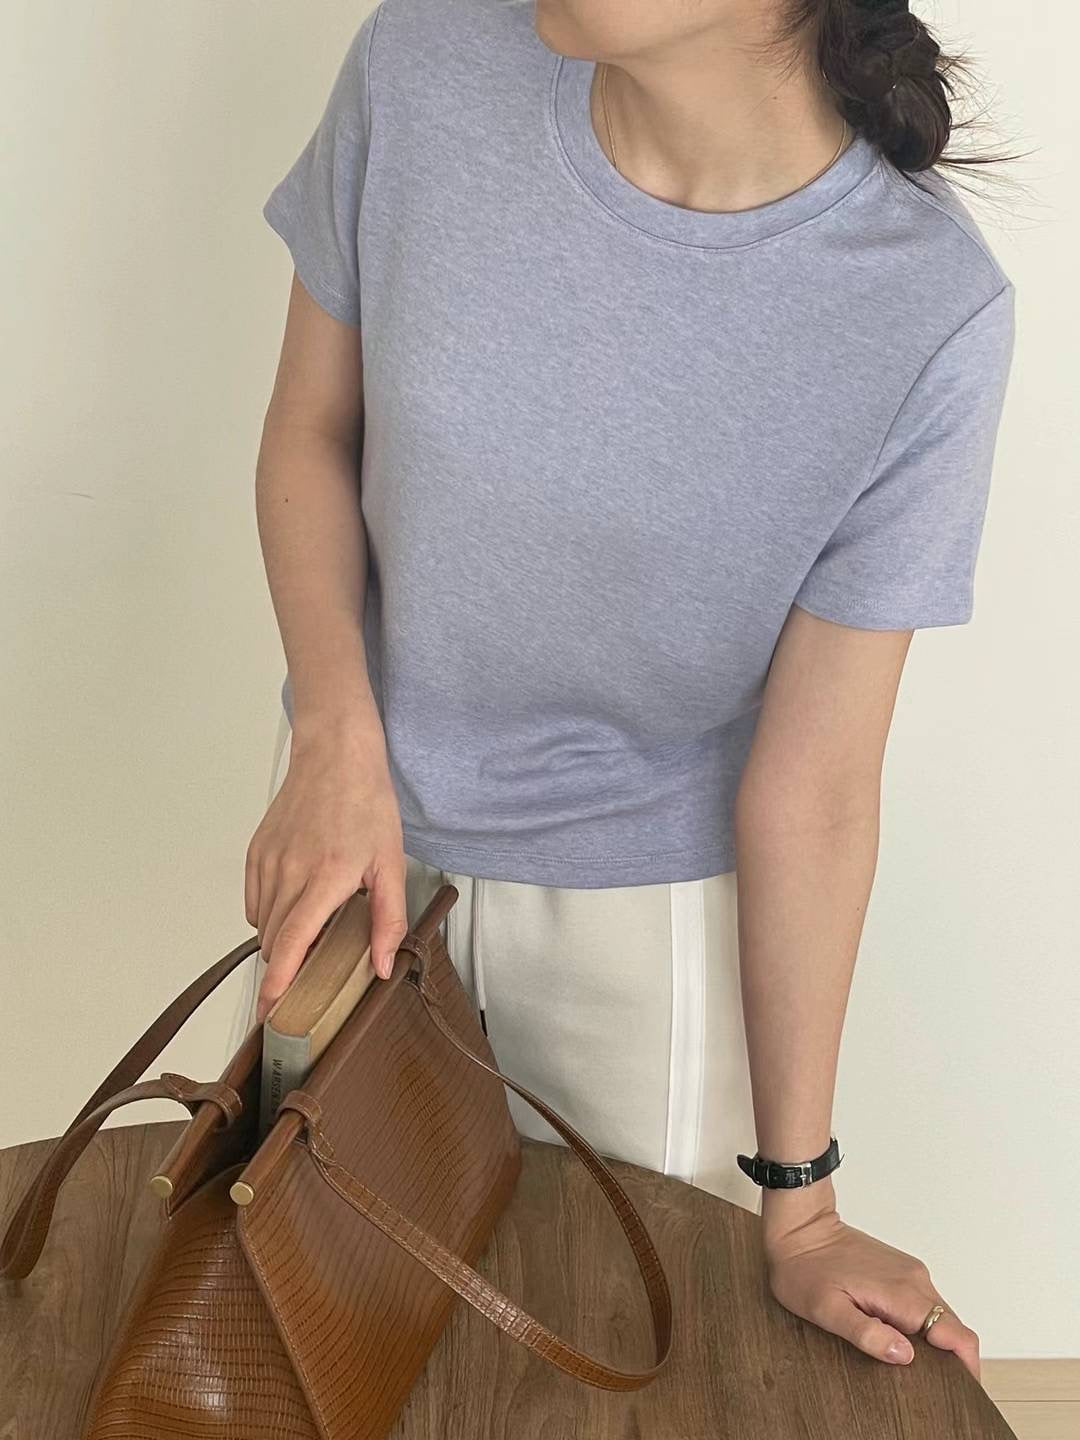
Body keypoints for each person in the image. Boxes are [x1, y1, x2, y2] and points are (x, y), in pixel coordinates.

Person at [233, 0, 1016, 1384]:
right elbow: (312, 430)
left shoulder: (923, 311)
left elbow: (819, 782)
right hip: (354, 857)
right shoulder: (425, 61)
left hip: (642, 944)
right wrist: (332, 741)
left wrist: (803, 1204)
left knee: (593, 1379)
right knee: (307, 1352)